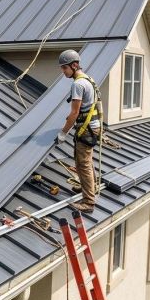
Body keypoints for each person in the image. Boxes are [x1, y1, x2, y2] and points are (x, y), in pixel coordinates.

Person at [55, 49, 102, 213]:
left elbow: (74, 113)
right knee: (85, 161)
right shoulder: (88, 79)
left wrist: (63, 133)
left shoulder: (78, 84)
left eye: (65, 68)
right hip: (92, 126)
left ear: (74, 65)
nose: (63, 71)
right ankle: (87, 187)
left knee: (83, 164)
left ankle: (89, 201)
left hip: (87, 128)